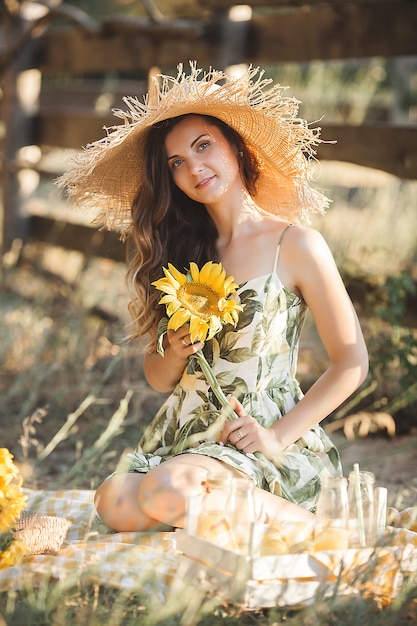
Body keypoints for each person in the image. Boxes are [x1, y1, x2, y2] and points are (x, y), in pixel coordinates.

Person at [59, 63, 368, 533]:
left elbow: (351, 362)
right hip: (185, 433)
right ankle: (229, 519)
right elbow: (159, 378)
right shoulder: (183, 255)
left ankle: (318, 532)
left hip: (257, 438)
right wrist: (175, 349)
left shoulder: (297, 245)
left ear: (237, 147)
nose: (193, 167)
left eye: (203, 146)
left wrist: (276, 436)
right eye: (176, 162)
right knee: (113, 500)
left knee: (166, 491)